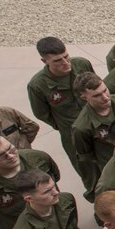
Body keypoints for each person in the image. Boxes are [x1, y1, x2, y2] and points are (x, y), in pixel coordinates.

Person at [27, 37, 94, 178]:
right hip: (72, 133)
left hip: (98, 122)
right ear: (44, 61)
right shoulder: (38, 85)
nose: (65, 63)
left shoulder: (82, 65)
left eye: (66, 56)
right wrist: (63, 125)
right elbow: (41, 113)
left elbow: (96, 87)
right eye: (57, 61)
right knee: (87, 170)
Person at [70, 72, 115, 198]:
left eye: (105, 90)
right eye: (97, 95)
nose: (105, 97)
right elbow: (87, 162)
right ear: (84, 98)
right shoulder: (82, 127)